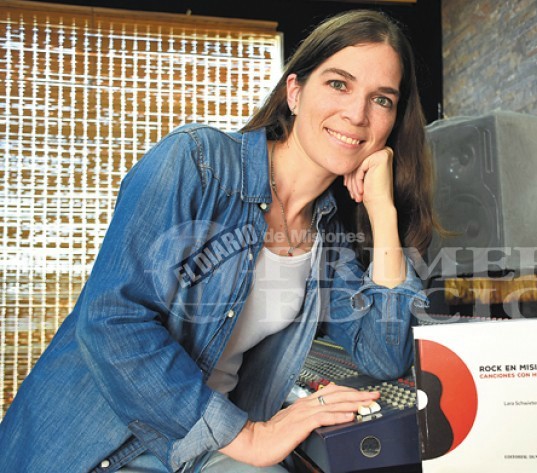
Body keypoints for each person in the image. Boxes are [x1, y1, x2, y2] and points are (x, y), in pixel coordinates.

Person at [0, 9, 436, 473]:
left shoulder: (326, 234)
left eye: (382, 100)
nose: (357, 114)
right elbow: (113, 319)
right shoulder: (195, 161)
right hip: (105, 441)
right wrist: (249, 436)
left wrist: (382, 212)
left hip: (207, 445)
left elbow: (384, 354)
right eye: (338, 84)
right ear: (294, 92)